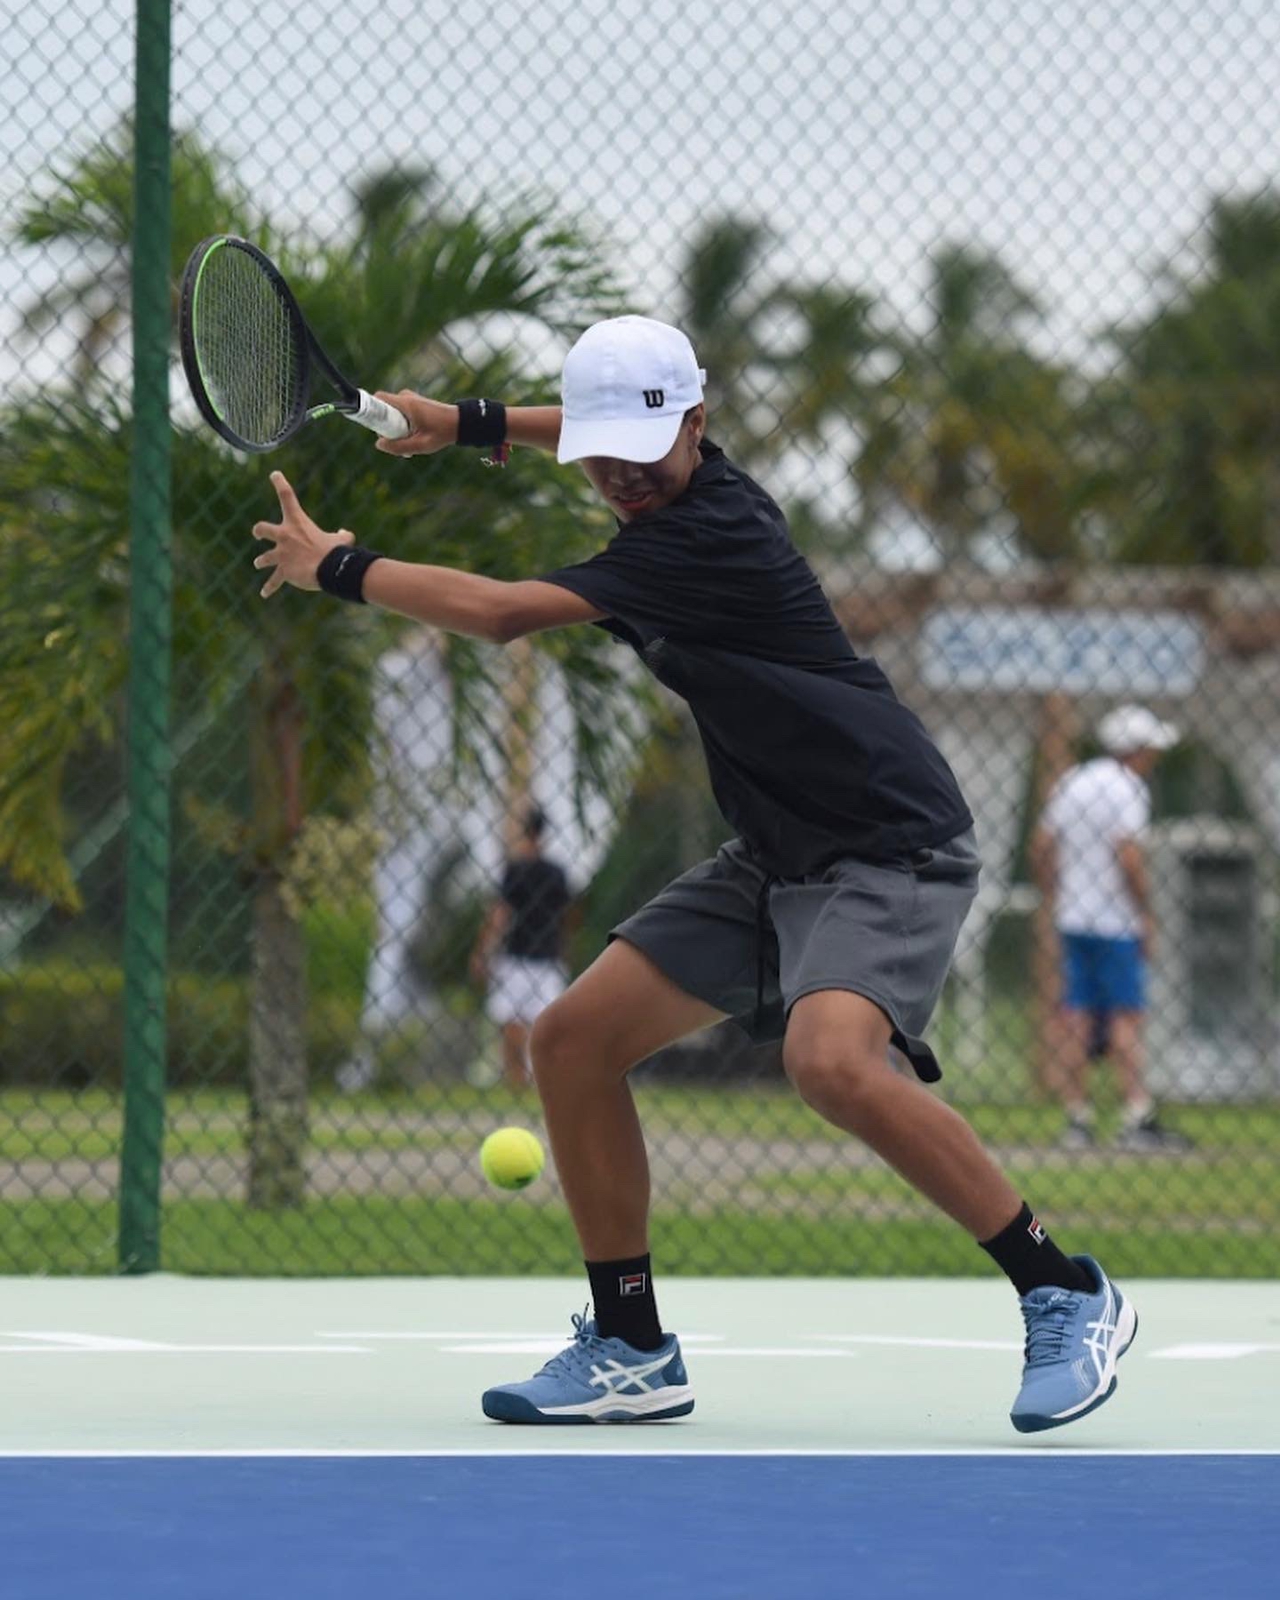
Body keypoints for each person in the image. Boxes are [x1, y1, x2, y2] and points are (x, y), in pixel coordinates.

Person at [250, 314, 1137, 1434]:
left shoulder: (703, 536)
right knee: (570, 1040)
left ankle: (1062, 1290)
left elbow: (505, 614)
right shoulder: (652, 475)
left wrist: (339, 563)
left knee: (829, 1063)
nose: (618, 472)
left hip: (884, 841)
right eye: (600, 453)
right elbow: (585, 427)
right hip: (774, 852)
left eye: (641, 447)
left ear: (698, 426)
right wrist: (463, 423)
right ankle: (629, 1348)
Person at [1032, 704, 1191, 1153]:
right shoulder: (1127, 788)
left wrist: (1056, 893)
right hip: (1114, 919)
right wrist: (1144, 911)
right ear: (1135, 750)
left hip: (1073, 916)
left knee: (1077, 1014)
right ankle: (1135, 1115)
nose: (1153, 759)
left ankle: (1077, 1119)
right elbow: (1129, 856)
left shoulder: (1073, 782)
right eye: (1150, 749)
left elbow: (1042, 845)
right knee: (1126, 1014)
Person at [469, 804, 572, 1089]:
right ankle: (534, 1077)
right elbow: (567, 918)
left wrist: (482, 952)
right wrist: (564, 952)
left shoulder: (515, 870)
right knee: (542, 1023)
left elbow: (500, 914)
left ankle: (518, 1079)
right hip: (548, 956)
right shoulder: (558, 873)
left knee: (511, 1020)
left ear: (525, 831)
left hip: (517, 955)